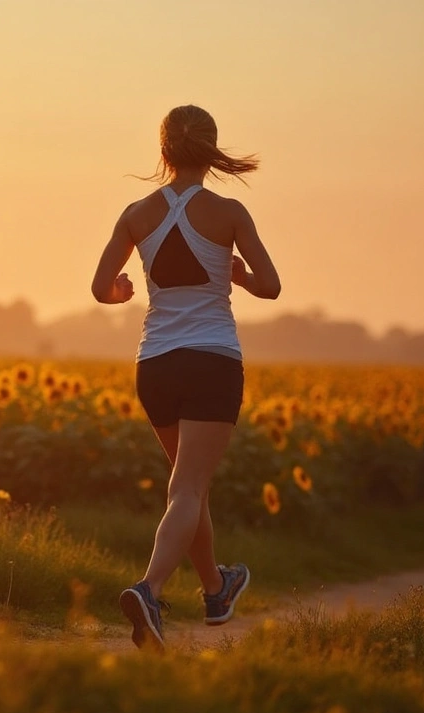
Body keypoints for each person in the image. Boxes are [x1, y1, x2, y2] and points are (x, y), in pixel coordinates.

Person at [91, 104, 281, 653]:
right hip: (211, 360)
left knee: (187, 486)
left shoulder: (135, 213)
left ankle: (216, 591)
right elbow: (270, 286)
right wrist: (239, 277)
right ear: (211, 149)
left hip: (155, 364)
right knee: (189, 487)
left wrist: (124, 293)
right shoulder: (229, 213)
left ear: (164, 149)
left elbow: (102, 286)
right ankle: (148, 591)